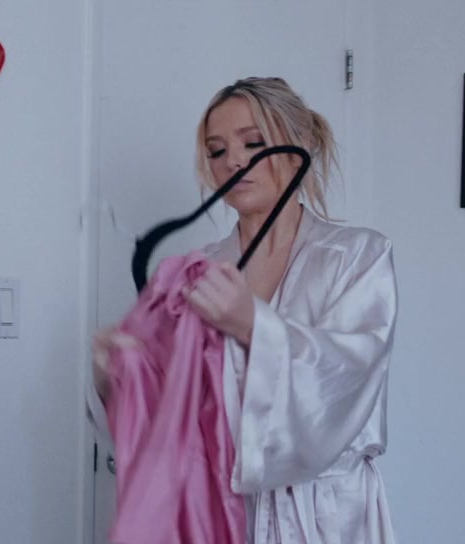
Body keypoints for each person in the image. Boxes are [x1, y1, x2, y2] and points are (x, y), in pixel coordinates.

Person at [90, 77, 399, 543]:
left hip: (328, 515)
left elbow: (348, 377)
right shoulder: (199, 273)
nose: (233, 161)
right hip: (223, 512)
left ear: (300, 145)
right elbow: (175, 413)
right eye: (216, 151)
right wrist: (117, 375)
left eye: (253, 143)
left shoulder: (358, 256)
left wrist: (253, 325)